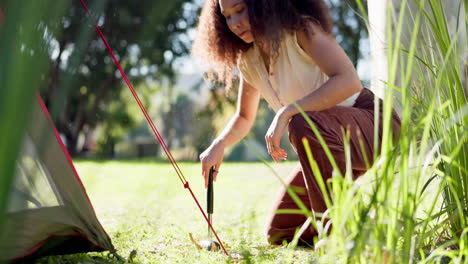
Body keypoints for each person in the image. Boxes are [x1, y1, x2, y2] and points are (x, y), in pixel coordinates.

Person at [192, 0, 401, 245]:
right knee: (282, 231)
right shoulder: (249, 60)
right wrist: (219, 144)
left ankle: (337, 235)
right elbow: (245, 117)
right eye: (227, 16)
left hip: (372, 123)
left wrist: (286, 112)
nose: (235, 23)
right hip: (323, 142)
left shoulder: (301, 29)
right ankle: (364, 227)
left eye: (240, 10)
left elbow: (349, 80)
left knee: (302, 123)